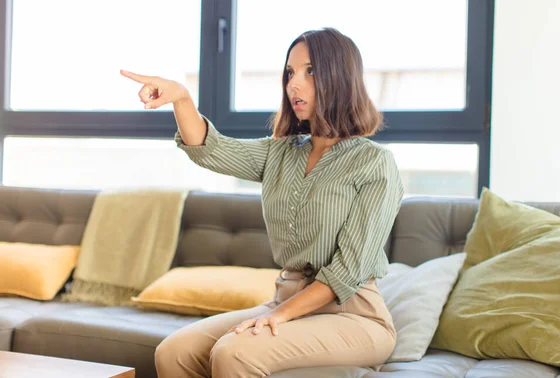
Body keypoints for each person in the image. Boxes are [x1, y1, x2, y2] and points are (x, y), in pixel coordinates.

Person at [121, 27, 404, 378]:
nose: (293, 84)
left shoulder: (375, 163)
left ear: (341, 78)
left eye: (309, 71)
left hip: (352, 315)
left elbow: (346, 273)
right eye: (290, 72)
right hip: (286, 299)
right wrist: (181, 99)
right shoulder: (280, 153)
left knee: (234, 353)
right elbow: (213, 150)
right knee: (174, 352)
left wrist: (275, 317)